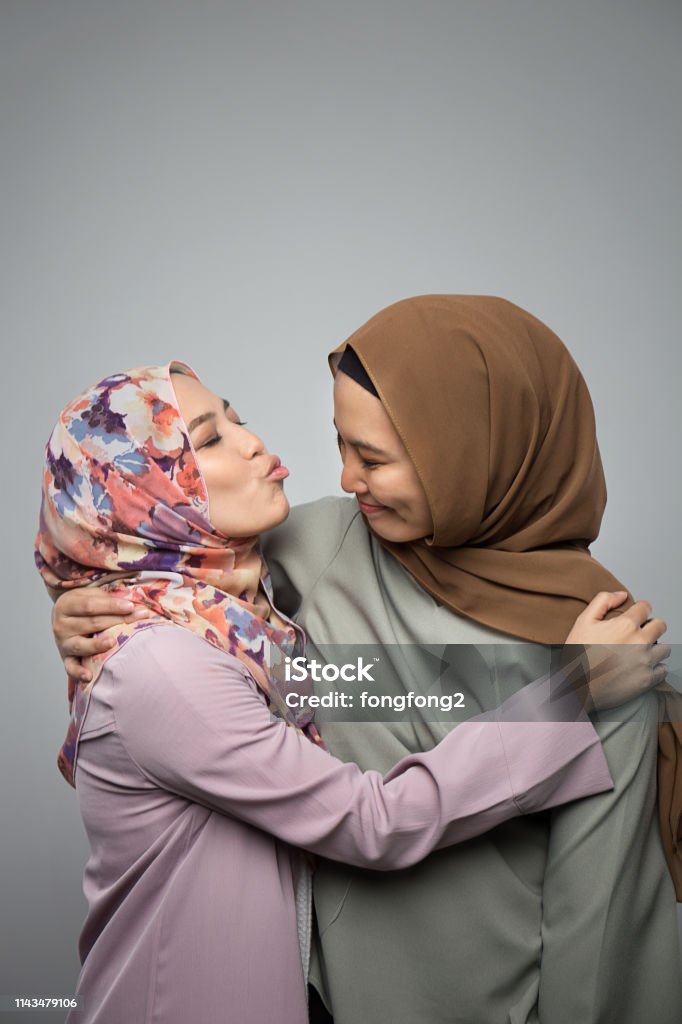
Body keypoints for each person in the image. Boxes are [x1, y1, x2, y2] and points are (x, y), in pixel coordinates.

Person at [50, 297, 680, 1024]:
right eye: (341, 445)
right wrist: (85, 610)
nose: (346, 479)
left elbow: (597, 928)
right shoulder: (312, 549)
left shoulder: (603, 649)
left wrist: (570, 687)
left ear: (469, 454)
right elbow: (150, 554)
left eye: (375, 457)